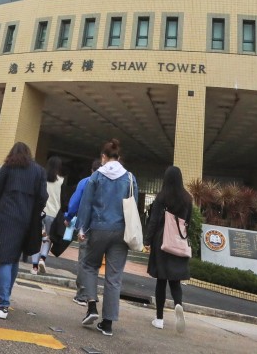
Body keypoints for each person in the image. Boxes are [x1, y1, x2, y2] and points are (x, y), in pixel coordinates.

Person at [75, 138, 138, 337]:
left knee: (89, 265)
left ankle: (92, 306)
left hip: (98, 228)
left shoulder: (96, 177)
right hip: (121, 231)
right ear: (118, 158)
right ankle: (108, 323)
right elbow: (133, 204)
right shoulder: (129, 178)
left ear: (103, 157)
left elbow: (86, 204)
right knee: (114, 277)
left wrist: (81, 228)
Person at [0, 142, 47, 320]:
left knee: (5, 259)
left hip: (7, 217)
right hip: (27, 219)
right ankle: (5, 295)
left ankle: (3, 305)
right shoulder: (39, 171)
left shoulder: (8, 168)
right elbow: (43, 197)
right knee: (14, 258)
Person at [144, 165, 192, 333]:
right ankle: (178, 304)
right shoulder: (187, 199)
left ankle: (159, 319)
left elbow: (154, 221)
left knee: (161, 280)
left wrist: (147, 241)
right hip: (178, 242)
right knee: (175, 280)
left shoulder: (162, 197)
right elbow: (189, 223)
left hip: (162, 241)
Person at [65, 159, 101, 305]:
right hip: (102, 228)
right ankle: (91, 295)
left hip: (85, 227)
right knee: (94, 263)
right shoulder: (108, 185)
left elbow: (75, 202)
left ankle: (81, 295)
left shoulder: (85, 182)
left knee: (84, 260)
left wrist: (68, 216)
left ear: (92, 170)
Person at [29, 156, 63, 275]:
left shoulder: (42, 178)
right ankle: (43, 259)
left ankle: (34, 267)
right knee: (48, 239)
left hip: (40, 212)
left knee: (36, 239)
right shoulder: (61, 181)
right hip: (54, 215)